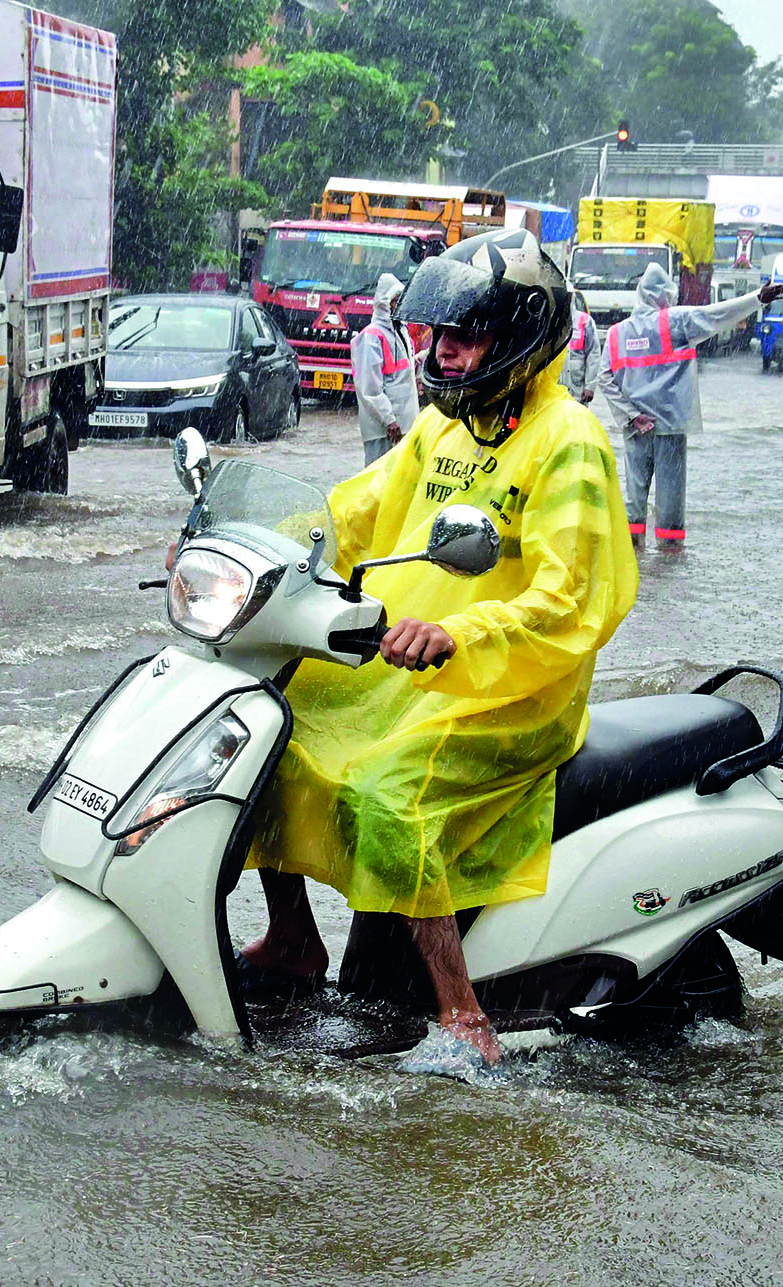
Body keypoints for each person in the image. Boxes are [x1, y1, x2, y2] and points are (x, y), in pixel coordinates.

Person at [239, 228, 639, 1069]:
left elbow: (571, 598)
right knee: (265, 732)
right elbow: (353, 511)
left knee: (392, 796)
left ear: (521, 335)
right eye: (438, 334)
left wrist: (460, 632)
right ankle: (293, 937)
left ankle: (463, 1016)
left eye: (464, 335)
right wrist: (246, 546)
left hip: (512, 689)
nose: (443, 351)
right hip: (406, 669)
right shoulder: (442, 431)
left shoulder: (568, 439)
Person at [595, 263, 783, 544]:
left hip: (636, 428)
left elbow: (604, 379)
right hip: (669, 425)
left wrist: (633, 415)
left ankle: (634, 560)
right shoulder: (674, 322)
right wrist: (756, 297)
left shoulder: (616, 333)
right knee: (670, 500)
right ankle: (670, 563)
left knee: (634, 498)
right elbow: (718, 315)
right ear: (665, 294)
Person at [351, 273, 418, 464]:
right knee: (377, 482)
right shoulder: (371, 336)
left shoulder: (400, 331)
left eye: (400, 301)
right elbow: (369, 388)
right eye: (395, 301)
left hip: (403, 426)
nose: (399, 306)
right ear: (384, 302)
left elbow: (403, 372)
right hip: (384, 429)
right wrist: (388, 419)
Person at [563, 304, 599, 405]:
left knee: (577, 419)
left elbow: (593, 354)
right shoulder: (551, 320)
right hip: (555, 390)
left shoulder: (585, 320)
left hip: (578, 391)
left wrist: (590, 386)